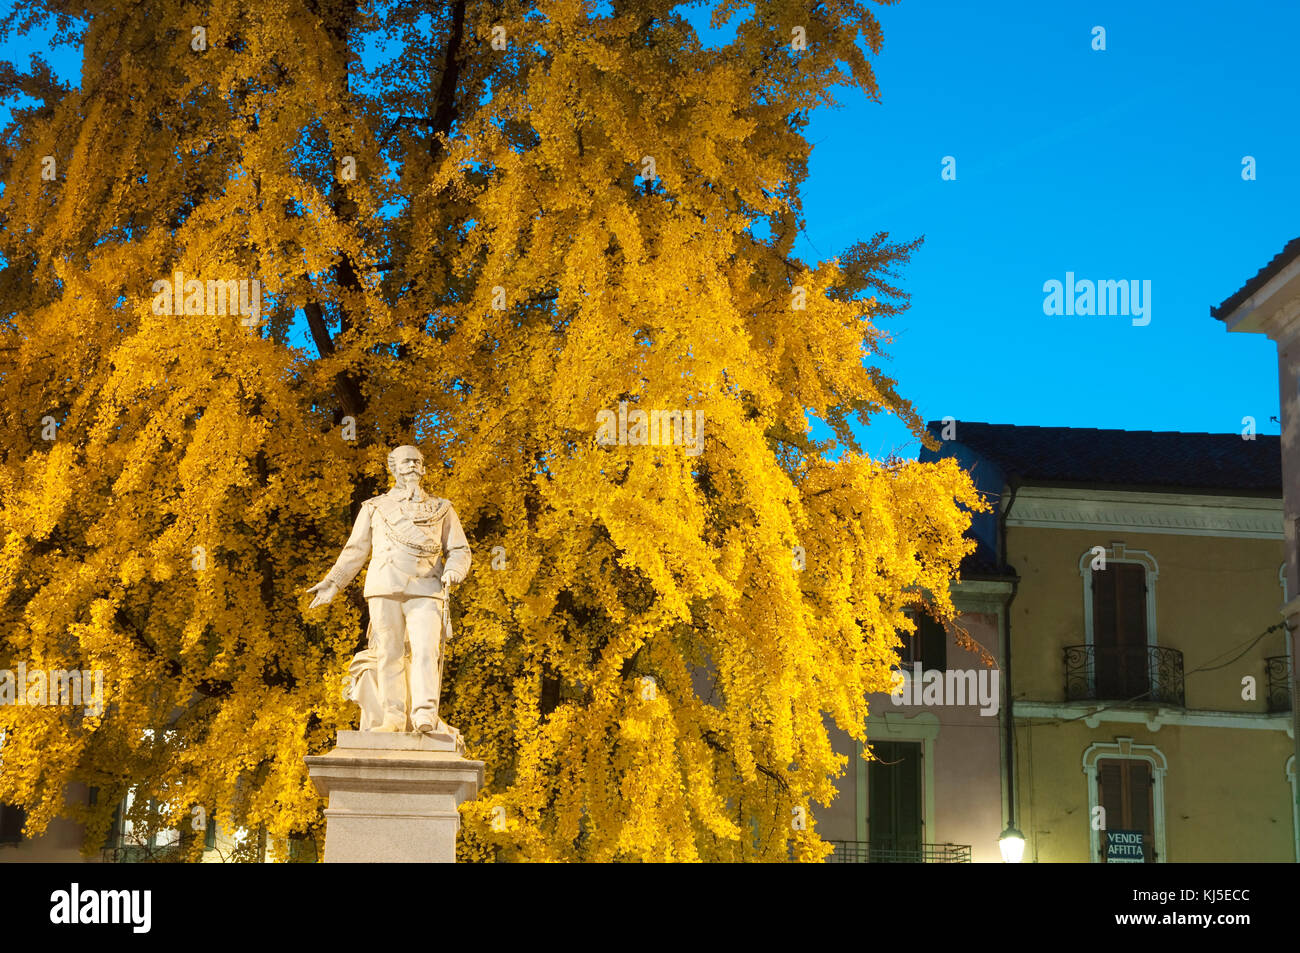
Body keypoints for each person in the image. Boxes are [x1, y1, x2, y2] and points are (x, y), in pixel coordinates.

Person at [306, 445, 471, 733]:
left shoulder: (442, 508)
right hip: (384, 586)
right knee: (389, 653)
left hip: (427, 587)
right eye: (405, 461)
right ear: (392, 467)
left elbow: (458, 549)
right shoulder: (374, 507)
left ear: (423, 468)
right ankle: (393, 718)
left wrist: (455, 570)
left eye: (416, 461)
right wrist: (333, 583)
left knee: (425, 651)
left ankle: (424, 714)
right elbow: (355, 550)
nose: (411, 466)